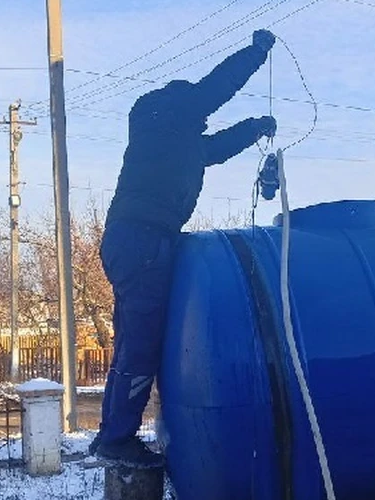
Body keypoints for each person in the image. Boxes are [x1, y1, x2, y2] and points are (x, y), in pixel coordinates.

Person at [93, 29, 278, 467]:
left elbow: (215, 149)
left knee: (131, 345)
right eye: (200, 112)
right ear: (186, 106)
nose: (205, 119)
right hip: (143, 241)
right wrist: (256, 53)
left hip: (132, 240)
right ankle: (117, 440)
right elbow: (219, 84)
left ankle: (112, 435)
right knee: (141, 346)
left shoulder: (173, 137)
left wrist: (255, 129)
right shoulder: (164, 113)